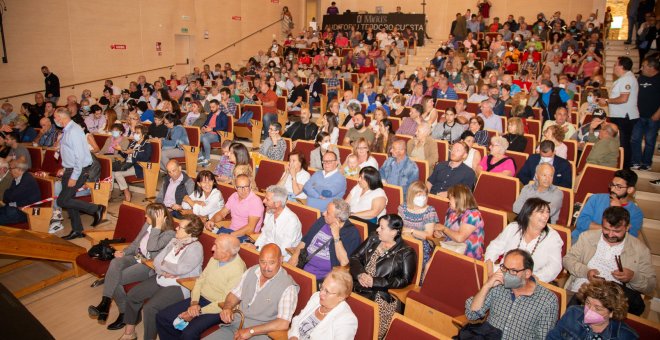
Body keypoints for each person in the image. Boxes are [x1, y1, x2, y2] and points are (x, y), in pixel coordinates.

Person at [88, 203, 175, 330]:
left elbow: (151, 247)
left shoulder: (169, 234)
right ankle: (105, 303)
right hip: (138, 257)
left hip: (149, 265)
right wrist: (124, 252)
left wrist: (156, 227)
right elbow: (135, 244)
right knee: (115, 263)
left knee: (114, 278)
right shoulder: (147, 225)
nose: (145, 216)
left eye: (148, 215)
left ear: (158, 218)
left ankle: (124, 313)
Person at [118, 215, 204, 340]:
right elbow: (157, 261)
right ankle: (130, 332)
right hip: (161, 277)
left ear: (190, 232)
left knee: (150, 308)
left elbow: (181, 269)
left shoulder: (196, 247)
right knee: (132, 295)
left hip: (179, 285)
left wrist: (164, 266)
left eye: (180, 227)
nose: (176, 228)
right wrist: (163, 269)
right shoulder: (174, 241)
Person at [564, 206, 656, 316]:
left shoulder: (640, 250)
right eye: (606, 229)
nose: (610, 235)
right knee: (574, 318)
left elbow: (650, 285)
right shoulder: (587, 237)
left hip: (613, 300)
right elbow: (568, 260)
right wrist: (586, 272)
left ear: (627, 227)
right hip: (582, 290)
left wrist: (633, 277)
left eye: (616, 231)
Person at [156, 234, 246, 340]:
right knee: (163, 317)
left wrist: (196, 312)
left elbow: (225, 302)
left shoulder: (238, 270)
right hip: (200, 300)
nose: (212, 249)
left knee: (189, 333)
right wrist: (194, 303)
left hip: (218, 308)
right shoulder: (215, 259)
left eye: (216, 246)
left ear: (226, 253)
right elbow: (199, 281)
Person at [205, 244, 299, 340]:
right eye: (263, 262)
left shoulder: (288, 287)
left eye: (271, 263)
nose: (266, 268)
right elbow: (234, 294)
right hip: (235, 325)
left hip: (260, 335)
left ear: (280, 260)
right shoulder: (253, 270)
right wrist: (227, 307)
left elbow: (283, 323)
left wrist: (251, 331)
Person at [465, 249, 559, 339]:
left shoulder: (547, 301)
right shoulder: (498, 285)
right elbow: (472, 314)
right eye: (505, 269)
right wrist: (487, 286)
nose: (507, 274)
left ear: (527, 273)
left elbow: (543, 337)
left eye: (513, 271)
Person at [350, 214, 416, 339]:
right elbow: (354, 257)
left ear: (394, 232)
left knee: (367, 332)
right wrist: (360, 274)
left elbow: (405, 280)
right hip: (358, 285)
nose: (377, 230)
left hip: (381, 294)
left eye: (382, 228)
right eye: (379, 226)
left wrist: (374, 282)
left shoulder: (406, 252)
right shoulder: (374, 239)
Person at [54, 107, 105, 240]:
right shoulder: (67, 130)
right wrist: (65, 169)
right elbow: (70, 153)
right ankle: (77, 230)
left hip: (77, 171)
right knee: (69, 200)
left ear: (61, 118)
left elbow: (79, 156)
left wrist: (74, 176)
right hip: (69, 169)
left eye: (55, 118)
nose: (54, 120)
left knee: (62, 200)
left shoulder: (74, 131)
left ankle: (95, 208)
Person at [485, 198, 564, 282]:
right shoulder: (513, 227)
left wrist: (532, 278)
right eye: (541, 212)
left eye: (547, 212)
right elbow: (494, 247)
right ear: (529, 214)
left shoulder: (553, 237)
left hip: (530, 283)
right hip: (503, 275)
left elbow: (555, 266)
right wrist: (489, 265)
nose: (546, 216)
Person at [288, 199, 360, 280]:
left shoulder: (351, 233)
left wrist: (336, 236)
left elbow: (344, 262)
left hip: (322, 278)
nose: (323, 213)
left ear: (338, 219)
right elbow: (304, 241)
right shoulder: (322, 221)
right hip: (303, 266)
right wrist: (294, 257)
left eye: (328, 212)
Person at [548, 280, 638, 339]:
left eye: (598, 308)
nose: (589, 310)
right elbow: (553, 337)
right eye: (587, 303)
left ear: (612, 313)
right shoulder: (573, 313)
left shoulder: (626, 336)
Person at [288, 268, 358, 340]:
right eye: (322, 287)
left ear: (341, 297)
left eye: (327, 291)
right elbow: (297, 319)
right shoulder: (316, 297)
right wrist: (294, 336)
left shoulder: (347, 320)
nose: (321, 293)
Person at [574, 169, 643, 242]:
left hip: (612, 247)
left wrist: (620, 210)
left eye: (618, 187)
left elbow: (630, 237)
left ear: (630, 190)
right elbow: (581, 223)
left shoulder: (636, 213)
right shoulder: (596, 198)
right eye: (612, 185)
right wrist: (612, 230)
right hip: (583, 239)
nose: (612, 189)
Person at [599, 57, 639, 168]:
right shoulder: (623, 78)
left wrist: (607, 100)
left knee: (624, 143)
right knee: (620, 143)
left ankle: (624, 167)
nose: (614, 66)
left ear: (622, 66)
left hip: (624, 116)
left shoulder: (627, 79)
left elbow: (623, 99)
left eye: (616, 64)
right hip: (619, 115)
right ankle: (620, 164)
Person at [206, 174, 264, 242]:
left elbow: (250, 228)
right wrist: (211, 220)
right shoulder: (233, 196)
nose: (243, 190)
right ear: (235, 187)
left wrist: (230, 235)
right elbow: (222, 213)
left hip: (246, 236)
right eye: (240, 187)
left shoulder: (255, 201)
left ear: (250, 186)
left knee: (221, 243)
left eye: (246, 187)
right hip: (231, 231)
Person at [399, 181, 439, 281]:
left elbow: (428, 235)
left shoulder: (429, 211)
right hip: (402, 242)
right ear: (412, 195)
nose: (422, 198)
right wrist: (406, 233)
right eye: (419, 195)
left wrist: (411, 231)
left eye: (424, 195)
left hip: (420, 246)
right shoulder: (403, 208)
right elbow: (398, 227)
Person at [436, 184, 485, 260]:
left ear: (458, 199)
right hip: (450, 250)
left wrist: (444, 229)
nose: (448, 201)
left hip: (468, 257)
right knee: (430, 265)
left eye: (450, 198)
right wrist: (441, 234)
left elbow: (459, 238)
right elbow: (450, 233)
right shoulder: (451, 211)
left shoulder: (473, 215)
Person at [253, 185, 302, 261]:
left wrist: (263, 254)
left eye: (267, 199)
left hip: (281, 259)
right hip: (266, 252)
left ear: (277, 204)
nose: (263, 201)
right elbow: (264, 235)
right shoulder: (269, 212)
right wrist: (255, 249)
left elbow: (284, 250)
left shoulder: (291, 221)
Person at [630, 55, 660, 171]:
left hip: (654, 117)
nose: (641, 68)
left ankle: (646, 163)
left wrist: (657, 114)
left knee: (650, 141)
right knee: (635, 138)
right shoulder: (641, 78)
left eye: (644, 66)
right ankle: (635, 161)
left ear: (651, 67)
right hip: (638, 115)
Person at [112, 125, 153, 202]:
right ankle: (108, 192)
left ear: (143, 135)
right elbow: (125, 154)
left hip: (138, 166)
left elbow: (145, 157)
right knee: (111, 171)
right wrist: (120, 149)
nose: (135, 134)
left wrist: (133, 152)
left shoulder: (147, 144)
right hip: (127, 163)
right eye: (134, 132)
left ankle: (127, 193)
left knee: (117, 174)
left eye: (137, 133)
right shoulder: (133, 142)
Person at [345, 166, 387, 233]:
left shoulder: (379, 192)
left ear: (370, 180)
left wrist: (352, 215)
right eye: (359, 177)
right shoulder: (358, 187)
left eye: (361, 178)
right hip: (350, 219)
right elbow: (345, 203)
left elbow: (374, 212)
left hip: (368, 223)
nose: (358, 180)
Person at [0, 159, 40, 225]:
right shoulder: (16, 179)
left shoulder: (27, 179)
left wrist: (8, 195)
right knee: (5, 210)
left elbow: (11, 196)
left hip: (28, 212)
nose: (10, 171)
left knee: (9, 212)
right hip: (16, 207)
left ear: (19, 169)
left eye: (11, 169)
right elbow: (6, 197)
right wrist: (8, 196)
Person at [198, 99, 229, 167]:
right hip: (207, 133)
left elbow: (224, 128)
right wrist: (203, 128)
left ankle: (207, 159)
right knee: (195, 139)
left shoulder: (223, 116)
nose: (211, 109)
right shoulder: (211, 113)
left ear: (218, 106)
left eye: (213, 107)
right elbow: (206, 123)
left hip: (217, 134)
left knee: (205, 139)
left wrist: (212, 129)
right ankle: (200, 157)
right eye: (210, 107)